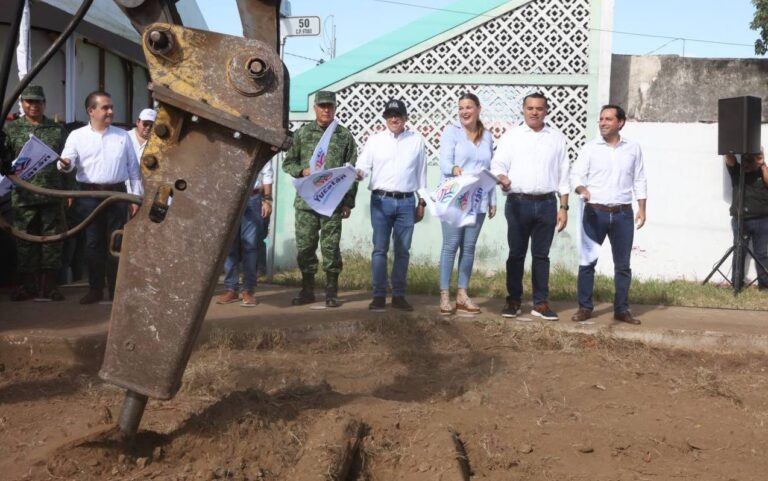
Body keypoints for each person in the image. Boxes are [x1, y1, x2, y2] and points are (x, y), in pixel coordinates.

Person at [491, 92, 570, 321]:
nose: (534, 112)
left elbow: (564, 175)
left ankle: (541, 303)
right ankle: (514, 301)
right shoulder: (512, 136)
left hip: (546, 204)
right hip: (518, 203)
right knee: (516, 254)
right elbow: (498, 163)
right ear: (523, 110)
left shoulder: (556, 138)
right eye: (530, 108)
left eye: (539, 108)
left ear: (546, 111)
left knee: (541, 256)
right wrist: (501, 177)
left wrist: (563, 208)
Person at [58, 91, 142, 304]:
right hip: (89, 196)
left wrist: (135, 198)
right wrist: (64, 165)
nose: (110, 111)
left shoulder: (122, 136)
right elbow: (66, 163)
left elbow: (134, 170)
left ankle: (115, 291)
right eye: (105, 107)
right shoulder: (77, 136)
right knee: (93, 244)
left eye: (111, 107)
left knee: (116, 242)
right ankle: (95, 289)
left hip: (117, 194)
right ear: (91, 111)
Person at [570, 104, 647, 325]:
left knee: (622, 266)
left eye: (608, 119)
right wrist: (581, 189)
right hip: (595, 212)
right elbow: (576, 175)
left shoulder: (633, 148)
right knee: (588, 263)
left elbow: (639, 178)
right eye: (601, 119)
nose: (603, 123)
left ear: (620, 122)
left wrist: (642, 207)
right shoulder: (590, 148)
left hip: (623, 214)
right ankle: (585, 307)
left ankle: (621, 309)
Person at [282, 91, 358, 307]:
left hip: (332, 204)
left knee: (331, 248)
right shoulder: (303, 134)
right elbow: (287, 164)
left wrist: (348, 202)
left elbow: (351, 172)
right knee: (305, 247)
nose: (326, 110)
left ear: (334, 108)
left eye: (330, 106)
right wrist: (302, 171)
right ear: (314, 107)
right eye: (322, 106)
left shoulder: (344, 136)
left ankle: (331, 292)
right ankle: (307, 290)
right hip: (306, 204)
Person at [356, 99, 427, 312]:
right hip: (380, 201)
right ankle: (378, 296)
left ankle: (398, 295)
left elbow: (421, 174)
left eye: (398, 115)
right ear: (385, 118)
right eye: (390, 115)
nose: (394, 119)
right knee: (379, 249)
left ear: (405, 118)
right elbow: (363, 165)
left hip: (407, 202)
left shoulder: (417, 141)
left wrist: (421, 202)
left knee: (403, 250)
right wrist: (358, 173)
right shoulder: (375, 140)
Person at [3, 85, 67, 301]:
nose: (33, 105)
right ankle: (27, 286)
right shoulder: (11, 130)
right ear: (22, 104)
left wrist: (69, 191)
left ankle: (50, 286)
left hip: (52, 194)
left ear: (44, 104)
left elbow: (67, 163)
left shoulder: (56, 130)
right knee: (25, 241)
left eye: (38, 101)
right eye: (29, 101)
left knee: (52, 240)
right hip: (22, 196)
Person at [437, 93, 496, 315]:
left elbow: (489, 170)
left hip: (478, 200)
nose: (464, 111)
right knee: (450, 245)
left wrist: (492, 199)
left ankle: (462, 294)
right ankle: (444, 295)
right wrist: (454, 170)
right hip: (454, 197)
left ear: (478, 109)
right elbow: (444, 162)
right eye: (461, 107)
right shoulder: (451, 133)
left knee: (469, 248)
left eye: (469, 107)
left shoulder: (487, 136)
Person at [217, 161, 273, 306]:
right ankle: (231, 289)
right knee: (230, 246)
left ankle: (248, 290)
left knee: (250, 246)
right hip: (229, 197)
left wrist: (267, 200)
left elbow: (267, 174)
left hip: (253, 199)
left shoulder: (261, 147)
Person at [724, 149, 768, 291]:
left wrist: (762, 164)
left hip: (762, 220)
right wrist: (729, 146)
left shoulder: (762, 171)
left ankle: (765, 284)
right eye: (746, 160)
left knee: (762, 253)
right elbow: (729, 159)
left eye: (751, 160)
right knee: (739, 252)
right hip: (740, 220)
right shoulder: (737, 171)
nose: (748, 163)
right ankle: (736, 284)